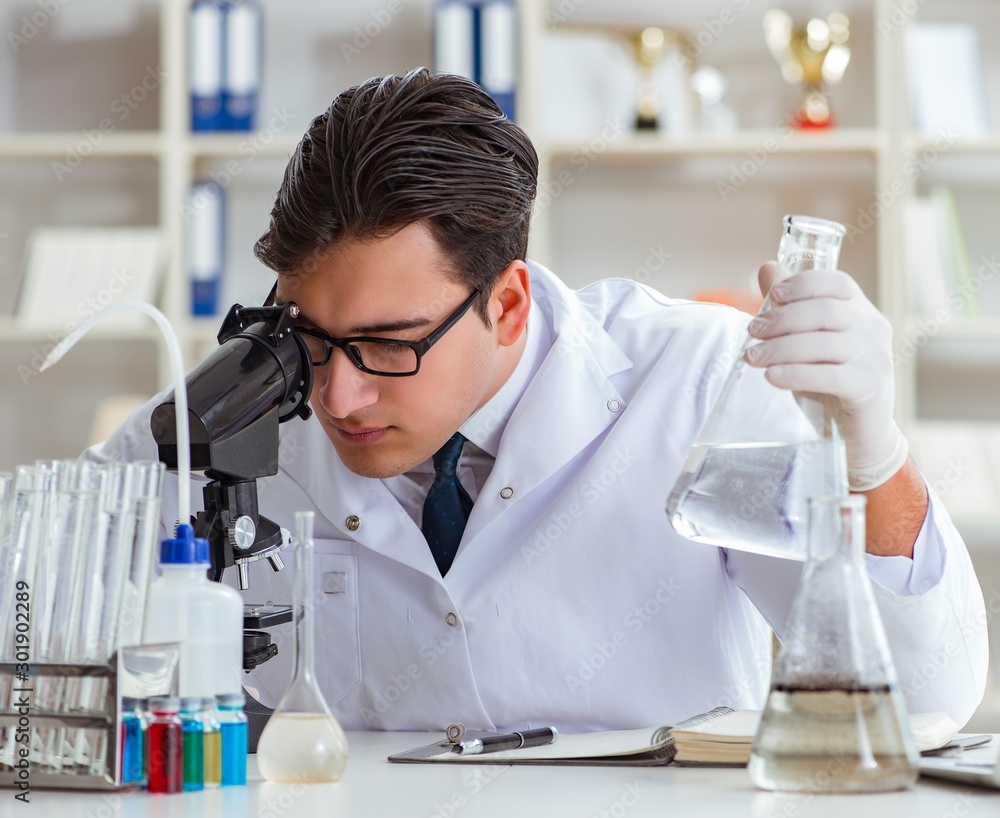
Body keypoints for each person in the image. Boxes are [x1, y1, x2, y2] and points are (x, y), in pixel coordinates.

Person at [90, 68, 987, 733]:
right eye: (310, 338)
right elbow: (48, 591)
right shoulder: (237, 412)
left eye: (389, 345)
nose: (337, 394)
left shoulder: (700, 379)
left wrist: (872, 456)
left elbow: (925, 701)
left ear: (509, 304)